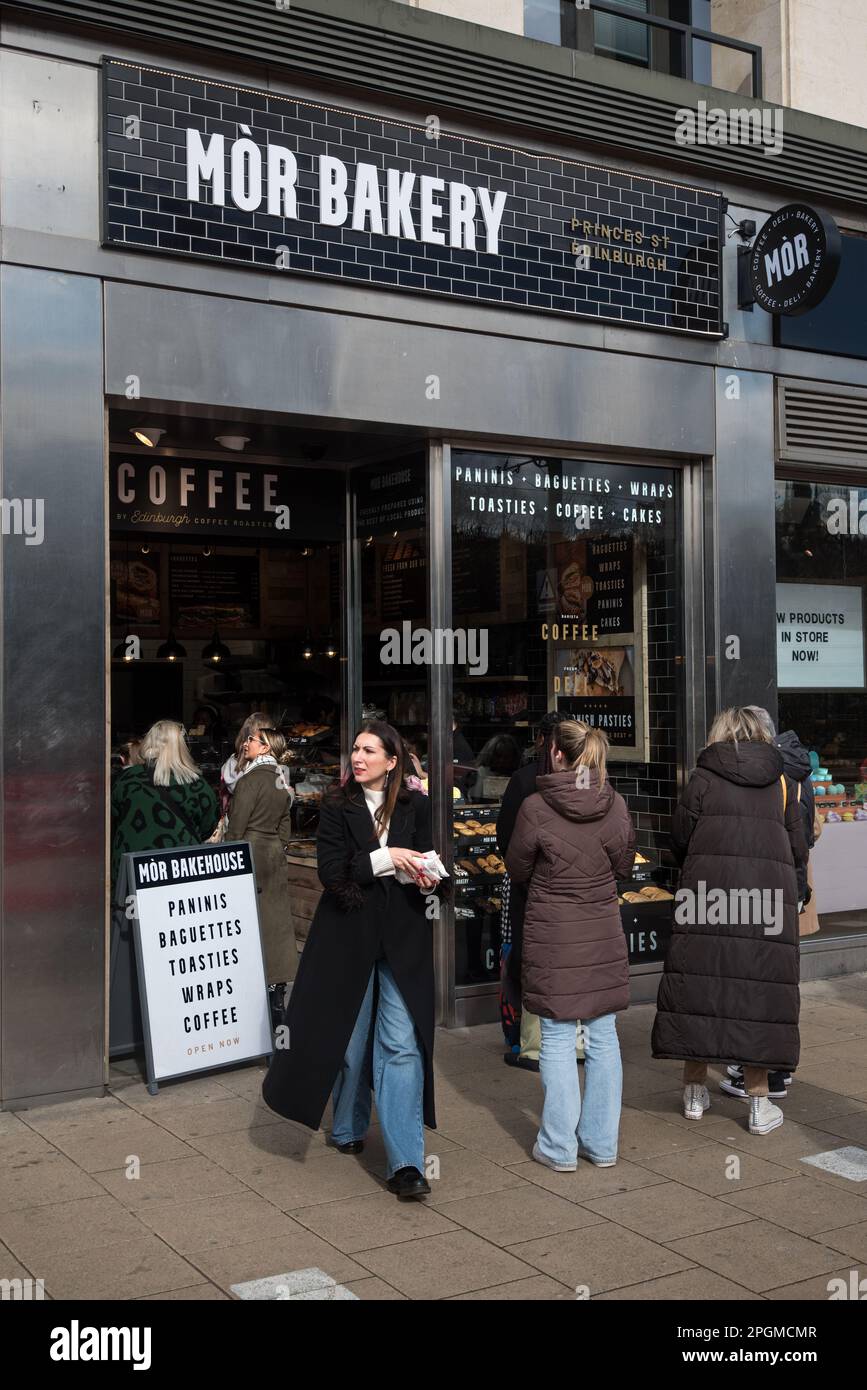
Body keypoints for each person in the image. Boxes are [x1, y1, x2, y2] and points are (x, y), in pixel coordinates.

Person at [262, 721, 442, 1201]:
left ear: (391, 760)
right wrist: (389, 858)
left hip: (403, 942)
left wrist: (429, 877)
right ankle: (347, 1126)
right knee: (351, 1038)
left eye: (368, 750)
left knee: (401, 1046)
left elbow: (434, 864)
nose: (357, 758)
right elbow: (332, 873)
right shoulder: (337, 806)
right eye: (355, 750)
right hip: (347, 939)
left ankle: (405, 1164)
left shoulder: (417, 805)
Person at [652, 706, 807, 1136]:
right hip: (765, 903)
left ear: (720, 733)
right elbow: (798, 848)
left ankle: (694, 1093)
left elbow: (680, 839)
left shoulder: (703, 777)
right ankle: (759, 1104)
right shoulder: (782, 782)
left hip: (707, 898)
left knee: (701, 989)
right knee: (756, 995)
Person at [505, 720, 635, 1171]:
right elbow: (623, 865)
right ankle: (601, 1145)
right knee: (603, 1036)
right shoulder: (615, 803)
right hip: (601, 931)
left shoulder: (535, 807)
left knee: (558, 1037)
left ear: (556, 754)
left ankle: (558, 1147)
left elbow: (517, 869)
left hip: (553, 934)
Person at [719, 708, 815, 1100]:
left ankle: (758, 1072)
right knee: (776, 983)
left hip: (755, 892)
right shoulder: (794, 771)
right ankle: (777, 1068)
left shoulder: (765, 775)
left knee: (753, 983)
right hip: (785, 889)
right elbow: (801, 837)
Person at [497, 712, 570, 1069]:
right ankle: (577, 1044)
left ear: (542, 741)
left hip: (529, 889)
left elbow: (505, 836)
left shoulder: (525, 780)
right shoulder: (590, 782)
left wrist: (524, 872)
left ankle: (531, 1045)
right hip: (575, 893)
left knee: (528, 959)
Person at [224, 720, 297, 1018]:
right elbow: (285, 826)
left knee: (247, 925)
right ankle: (277, 993)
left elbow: (236, 828)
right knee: (276, 925)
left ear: (265, 747)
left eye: (251, 740)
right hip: (273, 855)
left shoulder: (249, 781)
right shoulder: (281, 779)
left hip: (249, 855)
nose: (245, 744)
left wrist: (227, 860)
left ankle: (253, 991)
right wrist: (276, 849)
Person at [110, 720, 219, 888]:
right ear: (181, 746)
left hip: (131, 872)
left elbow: (111, 817)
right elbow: (207, 828)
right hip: (180, 872)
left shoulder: (126, 780)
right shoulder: (198, 785)